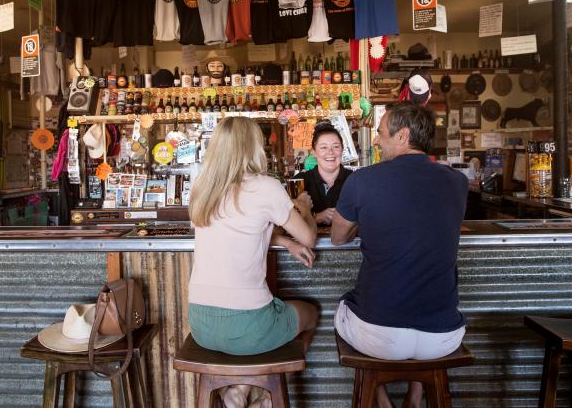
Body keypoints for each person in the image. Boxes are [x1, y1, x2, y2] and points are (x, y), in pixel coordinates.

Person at [331, 101, 468, 408]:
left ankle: (381, 401)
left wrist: (361, 220)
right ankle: (415, 396)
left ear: (403, 136)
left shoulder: (362, 180)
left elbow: (338, 238)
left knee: (340, 309)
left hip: (379, 337)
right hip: (443, 338)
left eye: (380, 133)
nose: (376, 140)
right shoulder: (458, 182)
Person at [188, 116, 319, 408]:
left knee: (251, 330)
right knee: (311, 314)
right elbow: (309, 237)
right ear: (254, 147)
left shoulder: (202, 189)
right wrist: (306, 208)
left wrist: (283, 241)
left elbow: (239, 233)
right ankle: (268, 401)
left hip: (201, 326)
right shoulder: (265, 186)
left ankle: (239, 392)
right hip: (249, 329)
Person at [294, 122, 352, 225]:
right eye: (324, 147)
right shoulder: (299, 181)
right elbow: (288, 221)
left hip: (350, 241)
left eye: (336, 146)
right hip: (308, 241)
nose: (330, 152)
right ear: (314, 152)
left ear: (342, 150)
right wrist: (316, 217)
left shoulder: (355, 180)